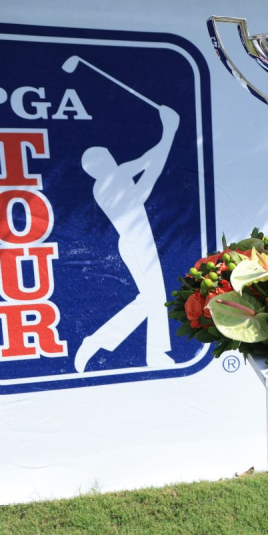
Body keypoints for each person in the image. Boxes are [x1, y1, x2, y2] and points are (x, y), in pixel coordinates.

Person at [74, 105, 179, 373]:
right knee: (152, 298)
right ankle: (99, 341)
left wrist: (169, 131)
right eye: (105, 157)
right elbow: (149, 177)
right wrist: (169, 130)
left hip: (137, 239)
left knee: (153, 298)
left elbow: (148, 159)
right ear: (98, 166)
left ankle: (153, 354)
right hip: (134, 241)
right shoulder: (110, 181)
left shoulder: (114, 175)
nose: (111, 157)